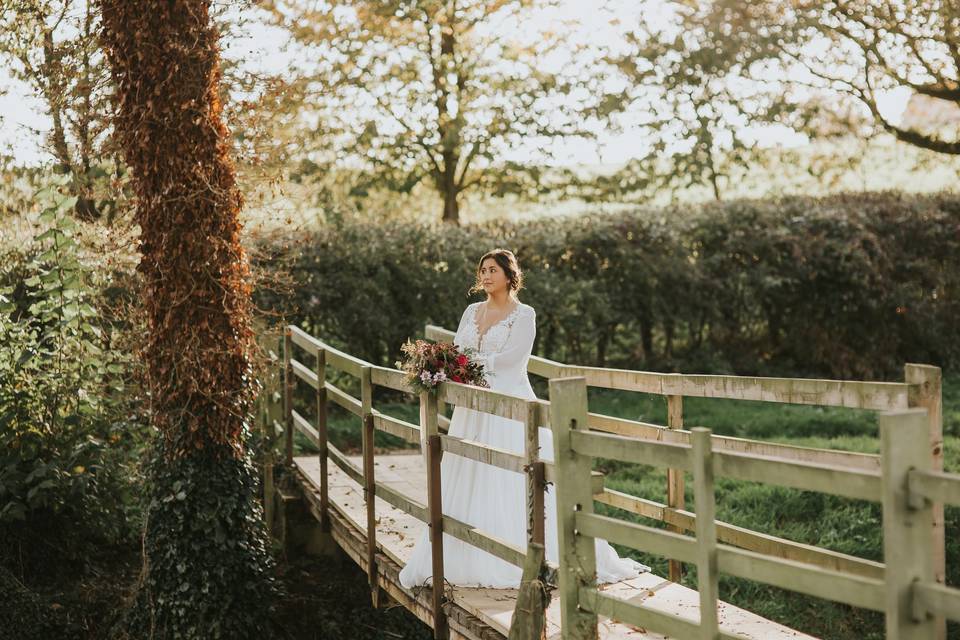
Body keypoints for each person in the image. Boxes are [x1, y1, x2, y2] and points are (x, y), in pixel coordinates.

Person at [398, 248, 649, 589]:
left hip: (510, 405)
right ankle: (465, 549)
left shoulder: (524, 314)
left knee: (514, 474)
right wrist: (448, 364)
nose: (485, 275)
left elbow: (513, 360)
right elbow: (457, 348)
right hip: (472, 407)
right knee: (471, 472)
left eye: (492, 270)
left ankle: (522, 552)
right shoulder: (471, 311)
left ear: (508, 275)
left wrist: (468, 366)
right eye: (482, 270)